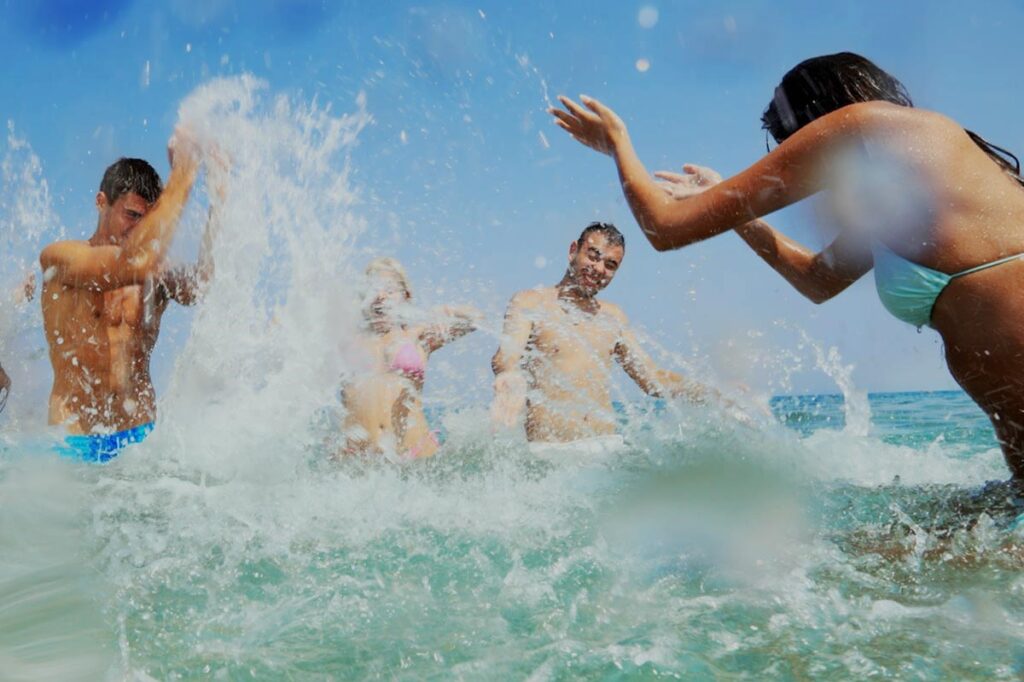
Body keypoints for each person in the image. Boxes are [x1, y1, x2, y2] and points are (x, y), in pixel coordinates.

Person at [549, 52, 1024, 477]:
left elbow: (664, 227)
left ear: (822, 111)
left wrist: (617, 143)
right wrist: (740, 218)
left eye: (784, 130)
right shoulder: (905, 205)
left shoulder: (866, 124)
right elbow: (818, 279)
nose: (784, 150)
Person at [39, 130, 221, 462]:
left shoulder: (155, 272)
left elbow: (202, 285)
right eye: (132, 216)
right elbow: (128, 264)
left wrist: (218, 202)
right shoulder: (62, 259)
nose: (139, 231)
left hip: (140, 440)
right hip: (74, 440)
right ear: (101, 202)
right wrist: (184, 170)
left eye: (147, 221)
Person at [491, 222, 711, 452]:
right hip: (552, 454)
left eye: (610, 265)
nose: (598, 269)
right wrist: (509, 375)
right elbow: (506, 356)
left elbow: (652, 380)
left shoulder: (613, 316)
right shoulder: (530, 302)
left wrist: (712, 393)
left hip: (607, 449)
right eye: (593, 256)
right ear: (573, 250)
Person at [340, 257, 479, 459]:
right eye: (372, 289)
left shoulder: (418, 336)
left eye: (389, 290)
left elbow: (476, 319)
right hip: (357, 461)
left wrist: (448, 310)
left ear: (405, 296)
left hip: (414, 453)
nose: (380, 296)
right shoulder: (345, 340)